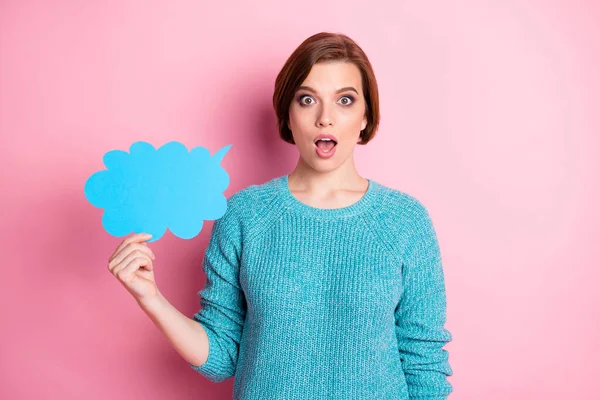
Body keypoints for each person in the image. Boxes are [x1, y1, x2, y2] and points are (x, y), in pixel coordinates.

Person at [108, 31, 453, 399]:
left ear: (366, 116)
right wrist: (150, 297)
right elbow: (222, 354)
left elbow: (424, 364)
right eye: (307, 100)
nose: (325, 118)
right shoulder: (245, 215)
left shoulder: (405, 221)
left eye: (345, 100)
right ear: (287, 116)